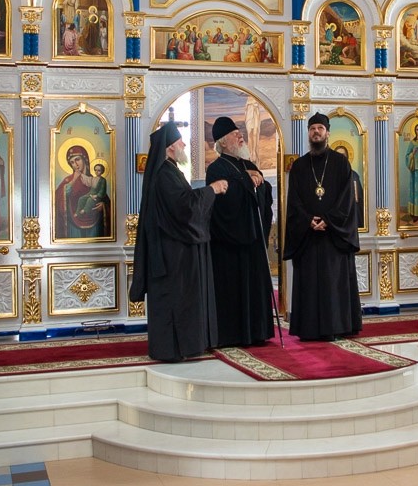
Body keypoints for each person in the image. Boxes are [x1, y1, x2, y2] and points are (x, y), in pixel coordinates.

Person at [128, 122, 229, 362]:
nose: (184, 144)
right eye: (180, 141)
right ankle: (173, 349)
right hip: (173, 254)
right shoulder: (165, 174)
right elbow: (184, 206)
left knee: (178, 300)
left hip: (174, 252)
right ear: (170, 147)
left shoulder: (169, 170)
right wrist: (212, 190)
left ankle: (184, 347)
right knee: (175, 300)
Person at [283, 113, 362, 341]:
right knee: (309, 285)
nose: (316, 132)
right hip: (308, 237)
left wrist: (328, 219)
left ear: (327, 133)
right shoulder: (299, 166)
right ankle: (308, 329)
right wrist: (308, 220)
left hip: (333, 237)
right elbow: (293, 201)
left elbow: (347, 199)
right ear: (308, 133)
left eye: (320, 128)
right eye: (312, 129)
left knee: (332, 283)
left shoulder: (340, 163)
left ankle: (336, 327)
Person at [206, 117, 275, 348]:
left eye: (239, 133)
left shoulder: (248, 164)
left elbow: (263, 193)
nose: (240, 136)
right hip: (229, 246)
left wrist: (261, 183)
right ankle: (232, 335)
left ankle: (257, 332)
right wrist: (247, 180)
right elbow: (225, 203)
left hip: (253, 240)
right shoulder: (216, 168)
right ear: (223, 142)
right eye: (235, 134)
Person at [53, 145, 105, 238]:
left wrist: (103, 205)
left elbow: (104, 197)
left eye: (77, 159)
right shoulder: (68, 180)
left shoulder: (95, 179)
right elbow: (57, 198)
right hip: (73, 222)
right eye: (72, 162)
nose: (75, 164)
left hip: (94, 219)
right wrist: (73, 180)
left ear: (85, 160)